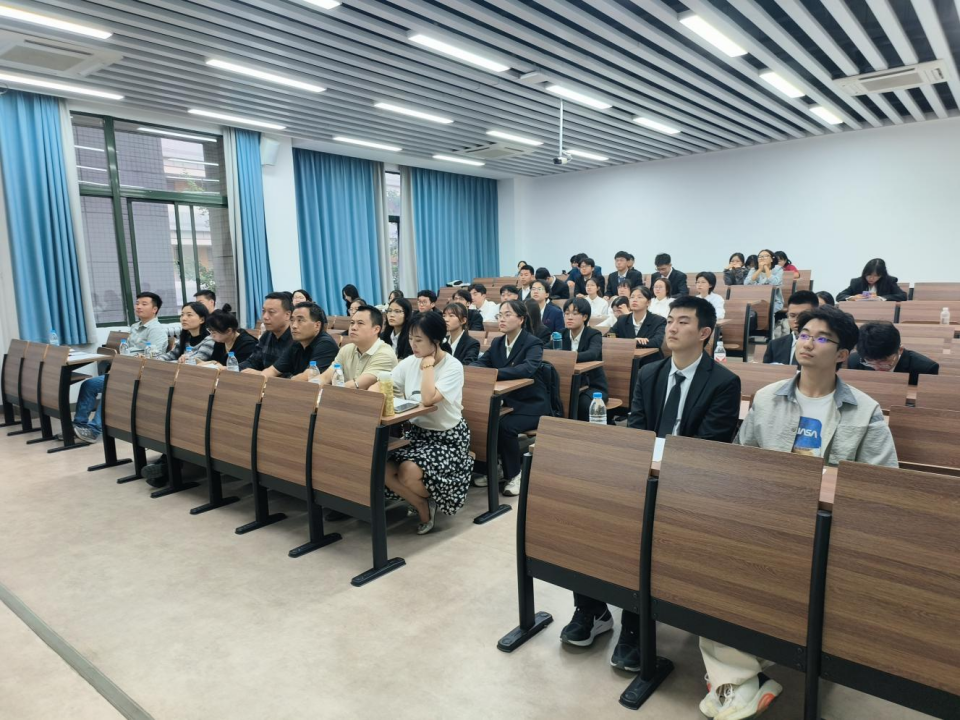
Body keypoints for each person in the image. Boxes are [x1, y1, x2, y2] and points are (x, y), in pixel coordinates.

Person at [707, 306, 898, 719]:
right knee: (715, 569)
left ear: (842, 354)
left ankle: (733, 681)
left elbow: (882, 486)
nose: (808, 343)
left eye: (821, 338)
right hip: (766, 518)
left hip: (827, 529)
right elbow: (742, 460)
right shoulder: (766, 398)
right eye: (804, 334)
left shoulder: (865, 410)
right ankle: (739, 680)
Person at [563, 296, 741, 672]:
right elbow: (638, 432)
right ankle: (592, 610)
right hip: (646, 474)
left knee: (642, 531)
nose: (672, 328)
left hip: (688, 485)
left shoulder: (724, 382)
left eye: (683, 322)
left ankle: (635, 625)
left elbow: (707, 449)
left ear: (705, 333)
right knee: (586, 510)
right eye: (670, 320)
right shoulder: (649, 373)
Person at [380, 311, 474, 534]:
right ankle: (421, 502)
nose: (413, 345)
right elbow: (385, 382)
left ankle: (427, 504)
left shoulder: (452, 366)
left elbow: (428, 399)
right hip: (417, 434)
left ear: (436, 340)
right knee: (382, 468)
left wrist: (428, 366)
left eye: (419, 340)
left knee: (407, 471)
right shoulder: (410, 361)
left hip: (448, 438)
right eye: (410, 338)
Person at [471, 300, 550, 496]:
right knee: (484, 420)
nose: (502, 319)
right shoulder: (498, 342)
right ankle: (494, 468)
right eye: (500, 315)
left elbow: (527, 369)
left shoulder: (533, 342)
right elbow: (482, 363)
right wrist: (472, 370)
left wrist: (495, 373)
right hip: (508, 402)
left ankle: (515, 474)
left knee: (505, 426)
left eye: (507, 315)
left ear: (521, 319)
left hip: (532, 405)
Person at [72, 292, 168, 444]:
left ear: (154, 309)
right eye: (137, 303)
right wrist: (117, 367)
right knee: (89, 384)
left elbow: (153, 358)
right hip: (125, 370)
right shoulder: (135, 327)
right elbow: (126, 352)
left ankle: (93, 430)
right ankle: (79, 425)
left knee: (111, 387)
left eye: (144, 304)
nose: (138, 306)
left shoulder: (156, 329)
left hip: (141, 375)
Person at [316, 305, 397, 389]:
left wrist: (328, 391)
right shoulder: (346, 349)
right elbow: (326, 377)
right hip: (347, 395)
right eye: (352, 323)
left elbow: (355, 386)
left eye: (360, 323)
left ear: (376, 329)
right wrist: (312, 386)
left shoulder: (385, 354)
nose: (353, 327)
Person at [259, 302, 338, 380]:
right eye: (292, 320)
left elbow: (307, 377)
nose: (294, 326)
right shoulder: (296, 344)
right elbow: (273, 370)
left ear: (317, 325)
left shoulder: (326, 344)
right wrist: (261, 380)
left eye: (300, 320)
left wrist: (288, 381)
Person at [560, 297, 609, 420]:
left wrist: (566, 357)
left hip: (592, 386)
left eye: (574, 314)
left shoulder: (594, 334)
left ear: (585, 317)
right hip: (568, 385)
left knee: (582, 404)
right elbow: (547, 351)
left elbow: (592, 354)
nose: (569, 317)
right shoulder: (561, 334)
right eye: (566, 313)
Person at [846, 321, 940, 384]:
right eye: (869, 361)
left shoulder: (925, 369)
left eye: (883, 361)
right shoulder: (854, 361)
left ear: (900, 350)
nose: (877, 367)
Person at [240, 292, 294, 373]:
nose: (265, 317)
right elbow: (253, 361)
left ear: (287, 315)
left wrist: (262, 374)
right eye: (263, 311)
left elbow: (294, 375)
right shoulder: (267, 334)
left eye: (271, 312)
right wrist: (231, 368)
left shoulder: (296, 339)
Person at [763, 290, 819, 366]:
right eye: (792, 316)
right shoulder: (774, 345)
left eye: (803, 316)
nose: (797, 321)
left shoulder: (822, 346)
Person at [836, 258, 907, 302]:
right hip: (860, 311)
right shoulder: (857, 282)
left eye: (875, 276)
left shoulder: (889, 281)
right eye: (868, 275)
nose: (871, 278)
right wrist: (852, 298)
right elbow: (840, 296)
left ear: (881, 275)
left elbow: (903, 296)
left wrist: (881, 298)